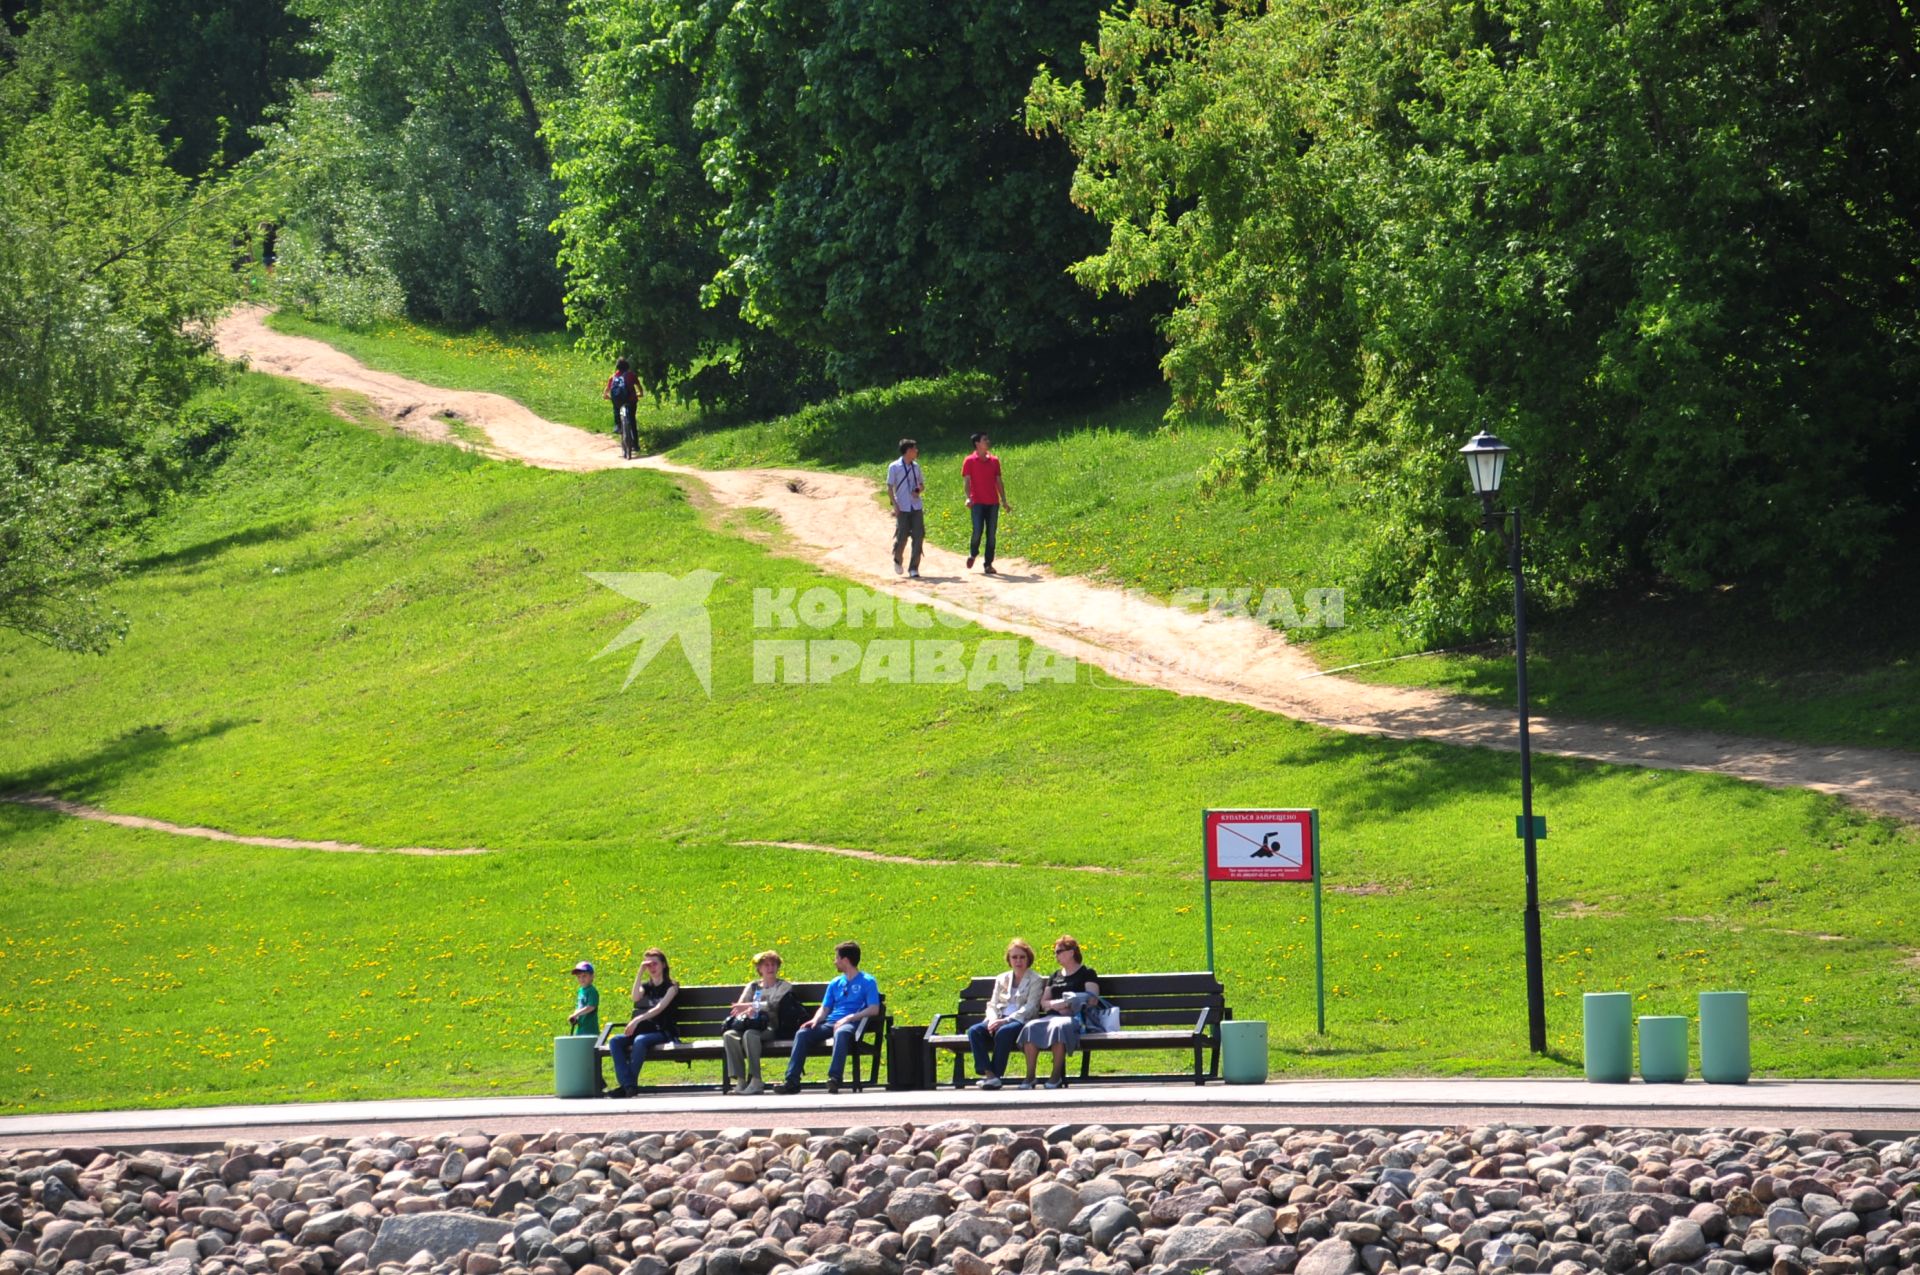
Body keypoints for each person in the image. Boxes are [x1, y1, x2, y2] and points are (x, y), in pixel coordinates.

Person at [778, 940, 880, 1095]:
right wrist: (815, 1020)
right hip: (831, 1022)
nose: (835, 962)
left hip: (853, 1023)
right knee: (803, 1034)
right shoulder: (835, 983)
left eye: (837, 958)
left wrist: (849, 1018)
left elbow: (874, 1009)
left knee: (841, 1032)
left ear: (845, 960)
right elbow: (825, 1008)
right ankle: (791, 1082)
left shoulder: (867, 981)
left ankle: (834, 1078)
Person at [1019, 934, 1100, 1089]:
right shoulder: (1054, 976)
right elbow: (1044, 1002)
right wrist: (1060, 1004)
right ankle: (1030, 1077)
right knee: (1030, 1027)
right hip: (1052, 1017)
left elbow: (1092, 1000)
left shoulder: (1087, 973)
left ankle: (1055, 1076)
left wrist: (1069, 1003)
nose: (1056, 955)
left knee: (1059, 1027)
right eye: (1055, 952)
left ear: (1071, 952)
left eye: (1059, 951)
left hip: (1075, 1019)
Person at [969, 938, 1043, 1090]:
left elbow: (1031, 1008)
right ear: (1009, 959)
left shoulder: (1035, 979)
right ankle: (990, 1074)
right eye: (1014, 957)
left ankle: (995, 1076)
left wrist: (1005, 1021)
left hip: (1021, 1021)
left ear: (1028, 958)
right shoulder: (1002, 978)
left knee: (1004, 1032)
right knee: (974, 1031)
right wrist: (992, 1019)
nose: (1018, 961)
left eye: (1022, 957)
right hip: (997, 1019)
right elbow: (992, 1004)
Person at [608, 947, 679, 1097]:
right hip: (647, 1030)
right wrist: (640, 972)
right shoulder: (648, 986)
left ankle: (627, 1086)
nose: (651, 968)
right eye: (648, 965)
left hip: (664, 1031)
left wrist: (637, 1019)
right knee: (615, 1041)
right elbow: (635, 997)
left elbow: (659, 1008)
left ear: (663, 965)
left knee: (639, 1040)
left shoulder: (672, 987)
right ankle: (629, 1085)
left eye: (655, 964)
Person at [722, 949, 794, 1095]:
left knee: (750, 1035)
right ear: (759, 969)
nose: (770, 968)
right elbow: (739, 1006)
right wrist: (747, 1010)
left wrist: (752, 1007)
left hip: (771, 1027)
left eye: (773, 965)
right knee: (729, 1035)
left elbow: (772, 1005)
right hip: (750, 1024)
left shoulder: (784, 986)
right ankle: (741, 1080)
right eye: (766, 965)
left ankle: (756, 1080)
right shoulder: (753, 986)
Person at [961, 432, 1011, 575]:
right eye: (984, 440)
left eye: (987, 439)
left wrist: (1004, 500)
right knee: (977, 531)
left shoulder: (994, 461)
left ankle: (988, 564)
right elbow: (967, 482)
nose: (987, 441)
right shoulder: (969, 461)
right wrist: (968, 497)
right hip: (977, 502)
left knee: (991, 534)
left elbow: (999, 481)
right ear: (977, 443)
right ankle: (973, 553)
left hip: (992, 503)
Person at [885, 439, 925, 579]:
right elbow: (889, 487)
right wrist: (895, 505)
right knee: (901, 536)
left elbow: (921, 484)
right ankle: (897, 559)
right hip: (902, 507)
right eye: (914, 449)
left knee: (918, 536)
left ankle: (914, 568)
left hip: (916, 505)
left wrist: (918, 490)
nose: (916, 451)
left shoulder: (916, 467)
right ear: (908, 451)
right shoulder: (894, 467)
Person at [605, 357, 640, 460]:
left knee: (616, 408)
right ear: (627, 367)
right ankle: (636, 445)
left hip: (618, 401)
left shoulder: (613, 377)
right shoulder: (631, 375)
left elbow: (606, 391)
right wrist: (640, 393)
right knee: (632, 420)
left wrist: (606, 396)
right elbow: (639, 388)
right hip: (631, 401)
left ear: (617, 367)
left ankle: (618, 425)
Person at [567, 960, 600, 1037]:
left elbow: (591, 1007)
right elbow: (579, 1006)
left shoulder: (592, 991)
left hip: (590, 1029)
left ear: (592, 976)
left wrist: (576, 1014)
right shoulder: (580, 991)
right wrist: (575, 1018)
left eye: (584, 976)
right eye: (579, 977)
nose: (581, 979)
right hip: (581, 1028)